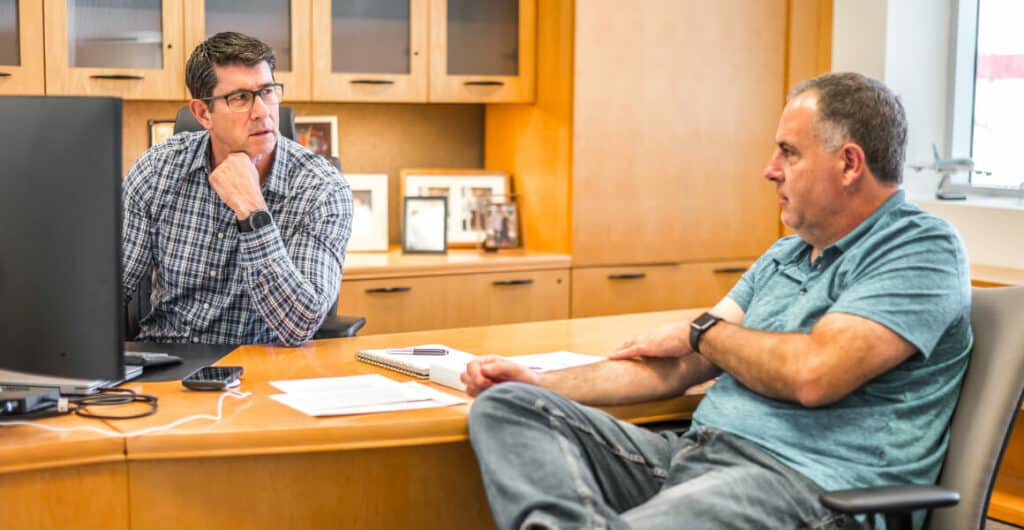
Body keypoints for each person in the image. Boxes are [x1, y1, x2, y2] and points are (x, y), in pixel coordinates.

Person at [461, 72, 972, 530]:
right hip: (696, 457)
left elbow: (814, 373)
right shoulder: (787, 254)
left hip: (808, 488)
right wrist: (543, 382)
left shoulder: (920, 249)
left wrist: (702, 332)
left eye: (788, 152)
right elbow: (683, 363)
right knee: (512, 407)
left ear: (849, 163)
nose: (769, 170)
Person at [121, 32, 353, 345]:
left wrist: (253, 212)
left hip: (260, 369)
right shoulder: (156, 170)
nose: (262, 111)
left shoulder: (321, 189)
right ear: (203, 113)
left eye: (267, 92)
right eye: (240, 98)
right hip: (167, 362)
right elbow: (109, 289)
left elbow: (302, 324)